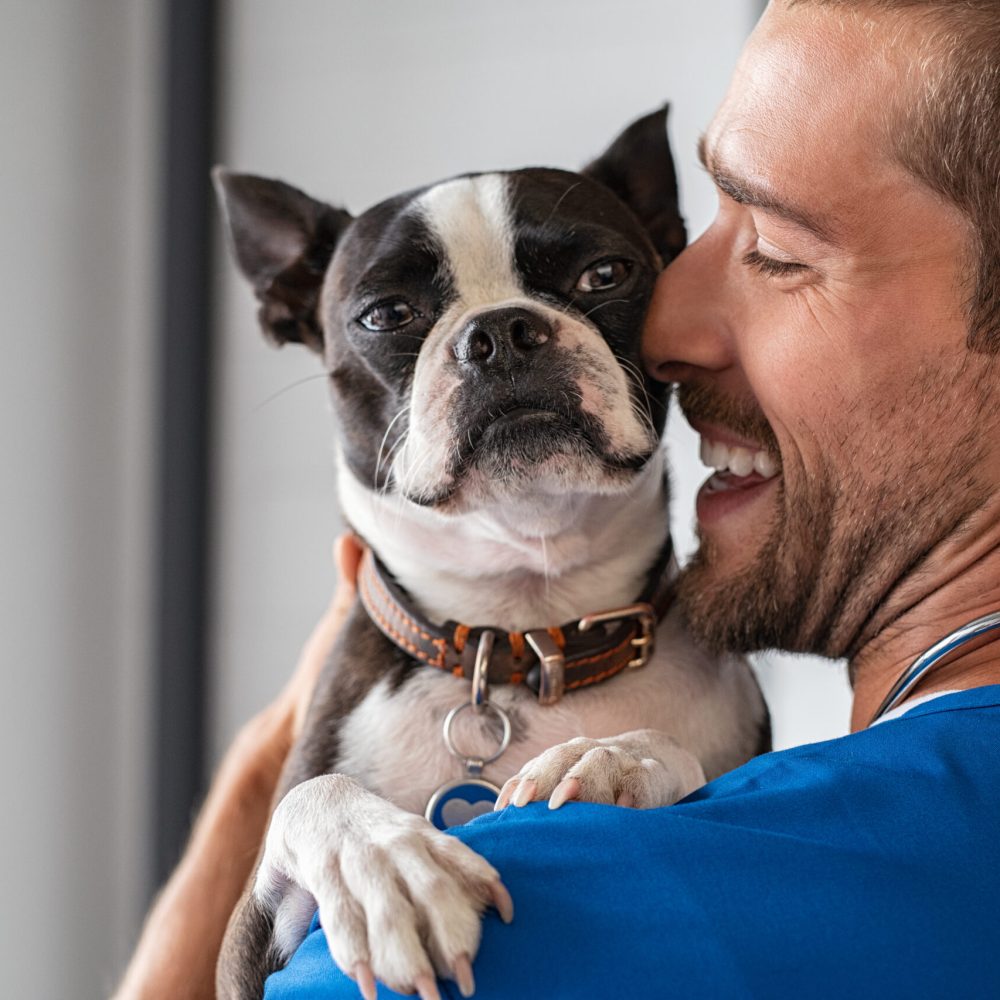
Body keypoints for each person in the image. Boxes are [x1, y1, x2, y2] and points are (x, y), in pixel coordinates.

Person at [115, 0, 1000, 997]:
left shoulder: (540, 918)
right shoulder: (877, 818)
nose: (674, 323)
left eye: (779, 253)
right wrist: (272, 787)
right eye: (396, 316)